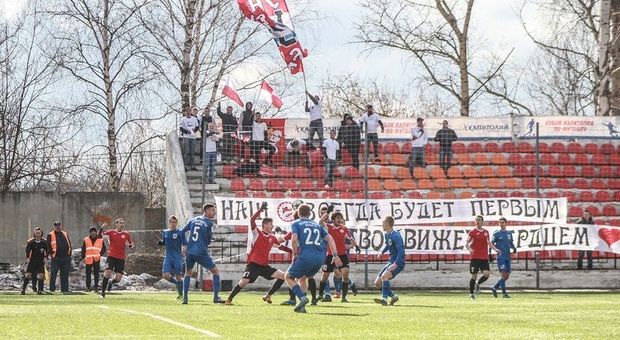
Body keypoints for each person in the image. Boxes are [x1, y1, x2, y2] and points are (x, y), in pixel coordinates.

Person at [225, 202, 292, 305]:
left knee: (284, 276)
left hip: (264, 266)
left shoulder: (272, 237)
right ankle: (229, 300)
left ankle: (268, 295)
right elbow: (252, 220)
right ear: (265, 225)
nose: (272, 226)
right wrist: (260, 209)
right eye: (270, 224)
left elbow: (281, 246)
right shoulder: (257, 233)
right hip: (253, 265)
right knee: (243, 283)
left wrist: (294, 252)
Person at [285, 204, 342, 313]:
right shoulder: (316, 225)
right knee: (302, 278)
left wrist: (295, 254)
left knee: (288, 276)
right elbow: (330, 238)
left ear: (298, 213)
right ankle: (302, 307)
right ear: (310, 214)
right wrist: (335, 255)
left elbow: (293, 240)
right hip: (320, 258)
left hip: (306, 256)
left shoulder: (296, 223)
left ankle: (302, 297)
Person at [180, 203, 225, 304]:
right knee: (215, 272)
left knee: (188, 273)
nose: (214, 212)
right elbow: (208, 240)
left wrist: (184, 245)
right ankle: (216, 297)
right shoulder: (208, 223)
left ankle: (185, 298)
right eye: (213, 210)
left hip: (190, 252)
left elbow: (182, 232)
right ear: (207, 211)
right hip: (201, 252)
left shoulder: (193, 220)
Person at [318, 208, 359, 303]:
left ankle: (344, 297)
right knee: (324, 277)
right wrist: (327, 213)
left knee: (345, 275)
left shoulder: (344, 228)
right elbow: (320, 222)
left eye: (341, 218)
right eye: (337, 218)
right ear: (333, 219)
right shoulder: (328, 227)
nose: (339, 219)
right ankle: (320, 295)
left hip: (342, 255)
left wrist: (356, 246)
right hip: (330, 255)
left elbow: (351, 238)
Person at [466, 215, 500, 300]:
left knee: (486, 274)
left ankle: (477, 284)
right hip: (475, 257)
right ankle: (471, 294)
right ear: (475, 221)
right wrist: (470, 249)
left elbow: (489, 243)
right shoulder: (472, 232)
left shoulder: (486, 232)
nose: (478, 221)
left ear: (482, 221)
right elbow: (466, 244)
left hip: (484, 257)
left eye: (479, 220)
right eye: (476, 220)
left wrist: (495, 249)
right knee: (474, 276)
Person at [100, 218, 135, 298]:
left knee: (118, 279)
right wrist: (102, 228)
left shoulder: (126, 234)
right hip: (111, 256)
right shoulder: (111, 232)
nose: (122, 224)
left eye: (123, 223)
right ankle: (103, 293)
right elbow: (101, 235)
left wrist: (131, 246)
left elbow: (131, 244)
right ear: (116, 224)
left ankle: (111, 283)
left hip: (121, 258)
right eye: (120, 223)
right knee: (107, 273)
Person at [373, 216, 404, 306]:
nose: (382, 225)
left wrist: (396, 264)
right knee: (377, 283)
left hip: (398, 262)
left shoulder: (396, 235)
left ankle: (384, 299)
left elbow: (401, 251)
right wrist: (382, 252)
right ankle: (393, 296)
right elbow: (388, 245)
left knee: (384, 277)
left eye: (383, 223)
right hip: (391, 261)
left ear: (387, 224)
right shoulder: (387, 235)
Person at [158, 215, 186, 299]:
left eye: (175, 222)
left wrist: (184, 249)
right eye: (171, 222)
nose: (173, 224)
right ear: (169, 223)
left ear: (177, 223)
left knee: (178, 277)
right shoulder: (165, 232)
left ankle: (181, 294)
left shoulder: (180, 232)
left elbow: (185, 242)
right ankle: (177, 284)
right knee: (165, 275)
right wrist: (161, 243)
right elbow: (164, 242)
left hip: (177, 258)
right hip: (168, 257)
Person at [491, 217, 516, 298]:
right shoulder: (496, 233)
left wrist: (514, 248)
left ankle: (494, 287)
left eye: (503, 222)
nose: (501, 224)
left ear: (506, 223)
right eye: (500, 222)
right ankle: (504, 293)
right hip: (500, 257)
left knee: (506, 276)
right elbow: (491, 243)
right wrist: (491, 253)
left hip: (507, 257)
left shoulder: (509, 233)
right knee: (503, 275)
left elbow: (511, 242)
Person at [47, 221, 72, 293]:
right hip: (56, 257)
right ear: (54, 227)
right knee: (53, 274)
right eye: (56, 226)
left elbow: (69, 244)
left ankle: (65, 289)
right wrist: (52, 254)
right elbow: (48, 246)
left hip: (65, 257)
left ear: (61, 226)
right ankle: (52, 289)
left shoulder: (65, 233)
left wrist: (69, 254)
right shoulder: (50, 235)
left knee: (65, 274)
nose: (58, 227)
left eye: (59, 225)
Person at [22, 227, 48, 295]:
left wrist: (45, 257)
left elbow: (48, 250)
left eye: (39, 233)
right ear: (34, 234)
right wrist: (27, 257)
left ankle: (40, 290)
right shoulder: (31, 242)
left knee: (41, 276)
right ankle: (23, 289)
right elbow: (27, 250)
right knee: (28, 275)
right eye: (36, 233)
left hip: (40, 261)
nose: (38, 234)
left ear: (41, 233)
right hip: (32, 261)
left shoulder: (44, 242)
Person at [81, 226, 106, 292]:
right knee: (88, 274)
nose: (93, 233)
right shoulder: (86, 239)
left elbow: (104, 249)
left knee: (96, 274)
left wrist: (99, 254)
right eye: (91, 232)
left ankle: (96, 288)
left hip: (96, 259)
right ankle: (88, 287)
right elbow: (83, 249)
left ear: (96, 232)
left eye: (94, 231)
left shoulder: (100, 239)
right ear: (90, 233)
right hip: (88, 259)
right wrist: (83, 257)